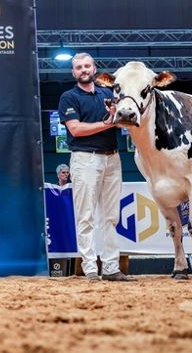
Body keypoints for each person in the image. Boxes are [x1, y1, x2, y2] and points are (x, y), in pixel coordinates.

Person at [58, 53, 135, 282]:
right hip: (85, 159)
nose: (83, 70)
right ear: (74, 73)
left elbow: (123, 120)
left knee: (111, 216)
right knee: (86, 216)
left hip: (112, 157)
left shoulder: (108, 94)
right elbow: (76, 130)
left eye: (87, 66)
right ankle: (90, 268)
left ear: (95, 69)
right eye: (79, 67)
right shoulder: (68, 97)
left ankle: (111, 267)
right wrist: (107, 123)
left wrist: (116, 117)